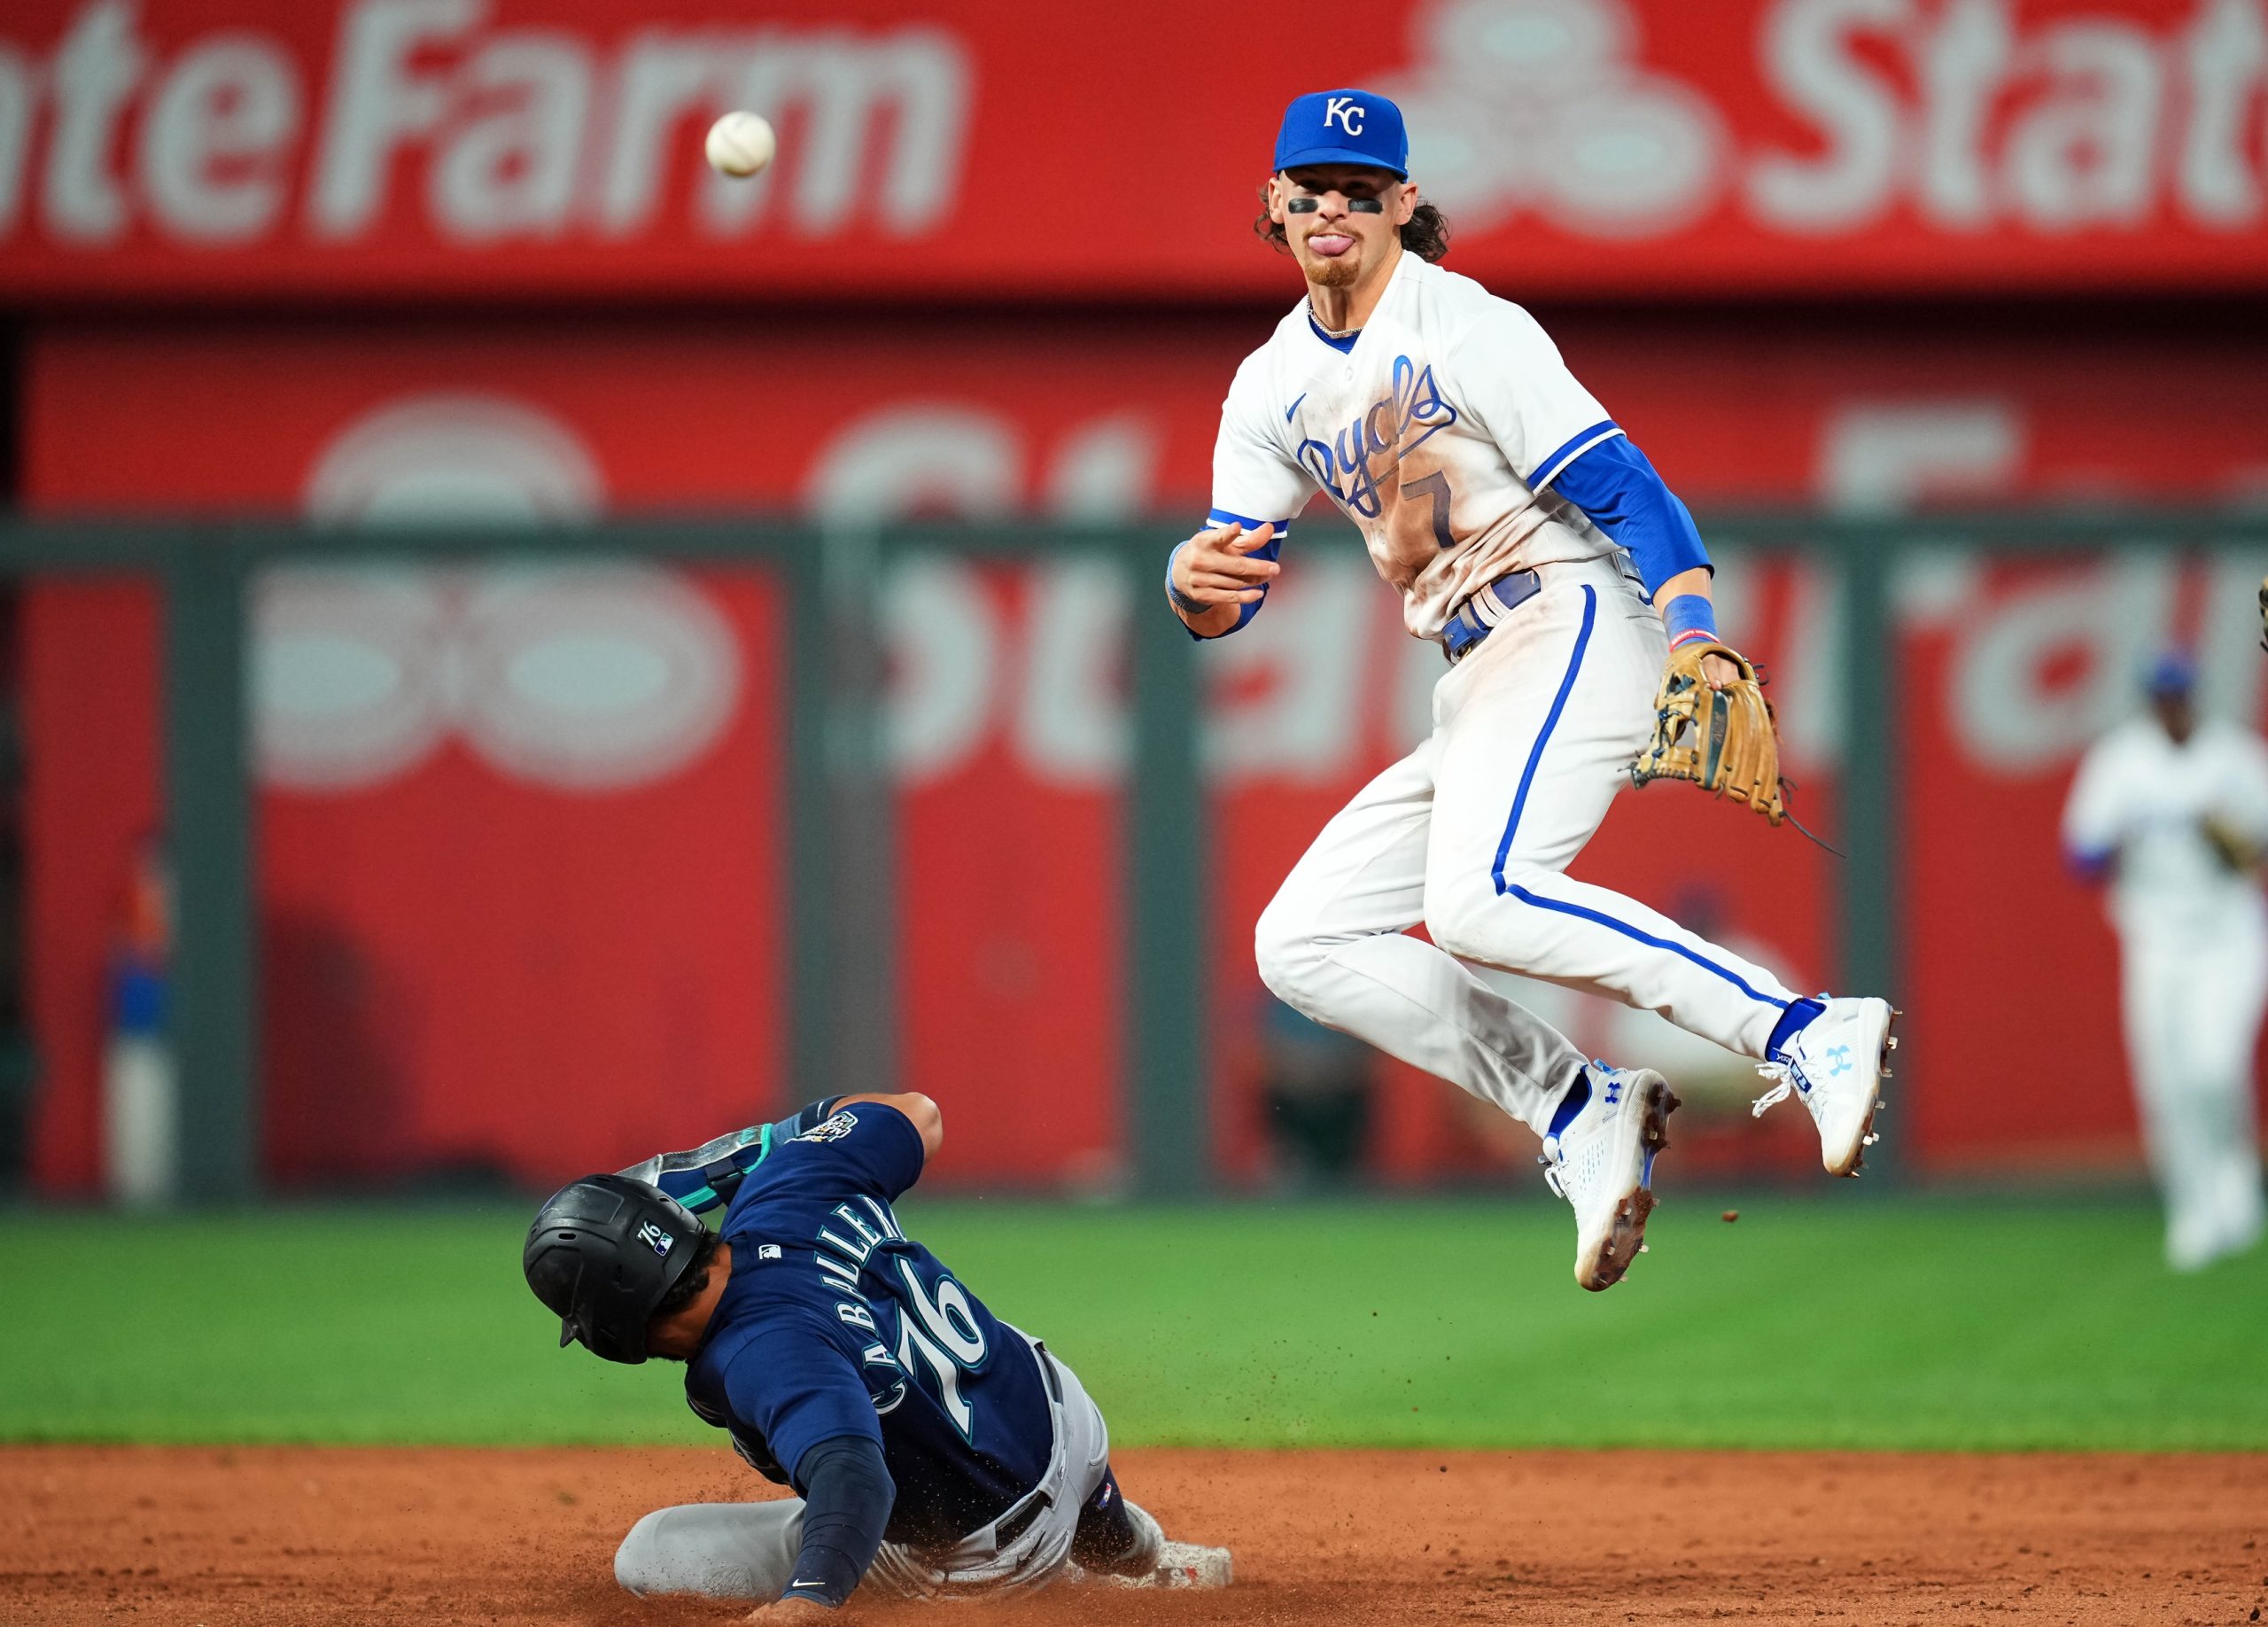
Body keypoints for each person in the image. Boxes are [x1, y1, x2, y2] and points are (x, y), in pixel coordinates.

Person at [1168, 89, 1896, 1290]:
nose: (1334, 207)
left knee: (1481, 900)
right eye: (1313, 188)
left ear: (1407, 206)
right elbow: (1226, 588)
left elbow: (1625, 487)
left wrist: (1693, 629)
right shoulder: (1267, 386)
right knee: (1302, 941)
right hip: (1477, 669)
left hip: (1568, 617)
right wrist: (1190, 585)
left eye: (1362, 189)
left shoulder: (1467, 326)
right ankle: (1574, 1102)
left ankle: (1801, 1030)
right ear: (1276, 207)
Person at [523, 1094, 1231, 1615]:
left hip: (987, 1561)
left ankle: (1069, 1574)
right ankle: (1137, 1550)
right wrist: (774, 1143)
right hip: (1063, 1409)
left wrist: (807, 1602)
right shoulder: (785, 1183)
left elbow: (855, 1477)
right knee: (929, 1383)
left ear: (615, 1325)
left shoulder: (757, 1348)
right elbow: (919, 1112)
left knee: (649, 1552)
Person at [2062, 653, 2268, 1272]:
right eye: (2160, 695)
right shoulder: (2121, 762)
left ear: (2194, 696)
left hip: (2228, 934)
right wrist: (2115, 839)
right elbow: (2078, 856)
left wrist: (2232, 841)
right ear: (2148, 700)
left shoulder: (2234, 757)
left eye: (2178, 693)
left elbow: (2257, 849)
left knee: (2213, 1066)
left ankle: (2233, 1173)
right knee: (2164, 1081)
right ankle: (2193, 1208)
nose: (2170, 704)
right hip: (2155, 938)